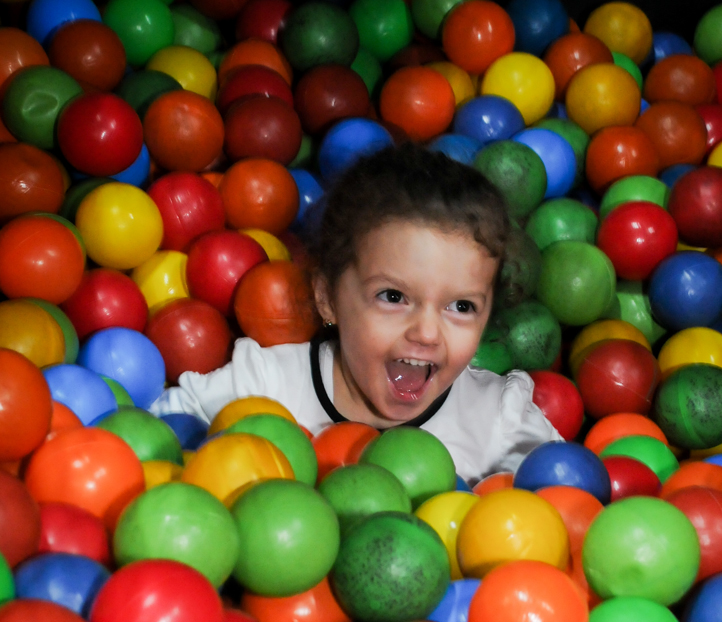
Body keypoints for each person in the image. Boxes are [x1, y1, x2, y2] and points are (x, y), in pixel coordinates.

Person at [151, 144, 561, 485]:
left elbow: (569, 506)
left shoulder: (498, 424)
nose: (427, 332)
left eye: (462, 306)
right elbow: (152, 438)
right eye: (393, 296)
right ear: (329, 297)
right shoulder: (265, 389)